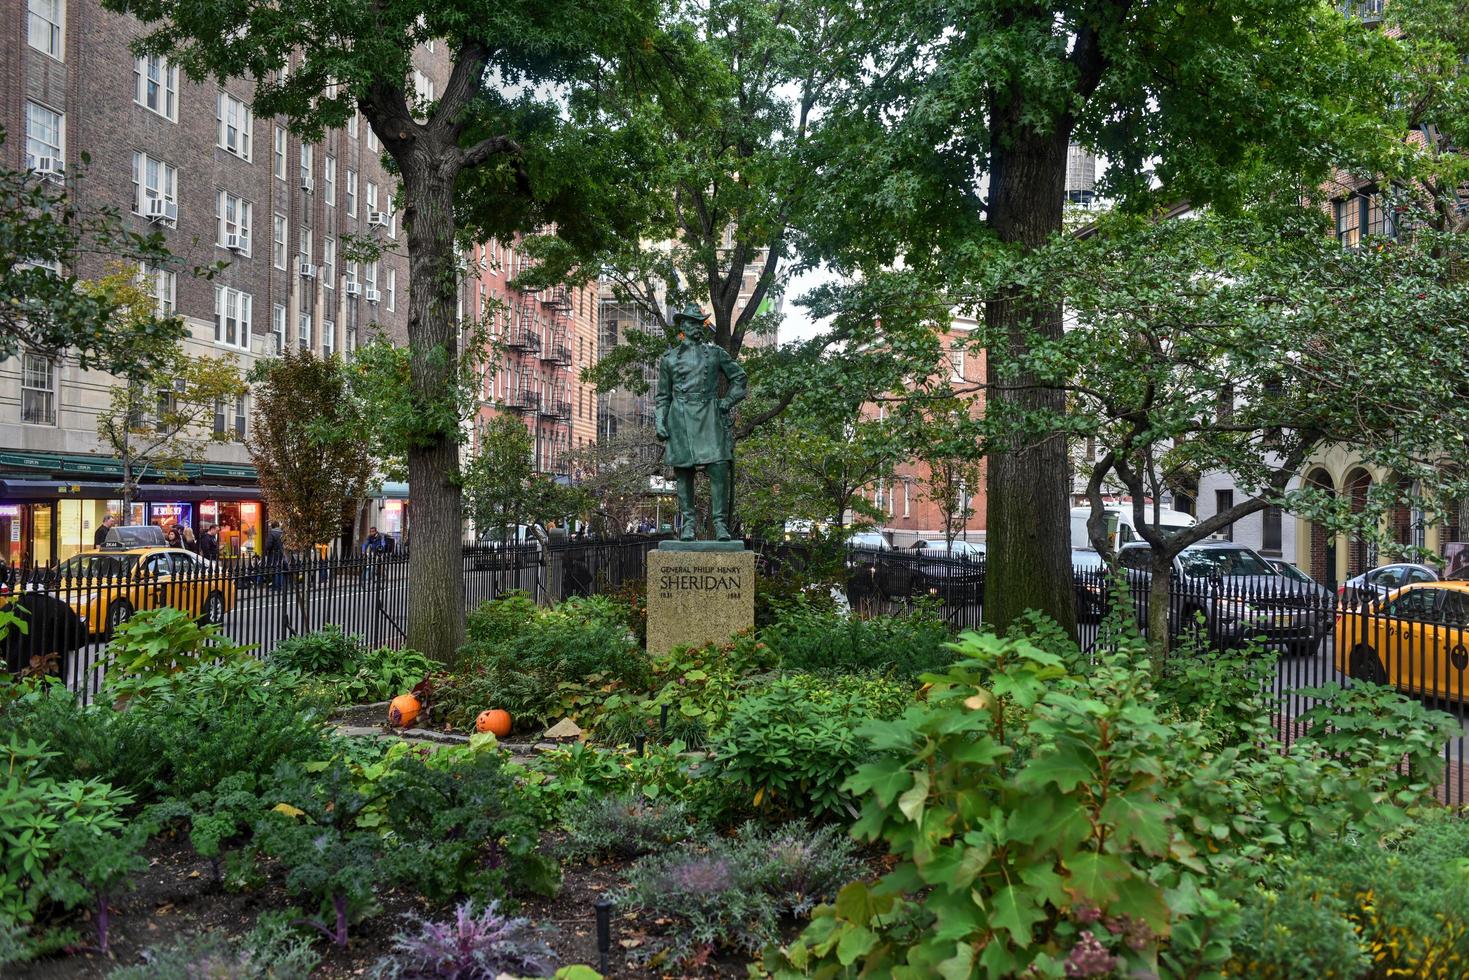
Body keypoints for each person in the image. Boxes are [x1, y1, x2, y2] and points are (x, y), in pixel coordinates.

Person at [654, 304, 747, 541]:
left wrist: (727, 402)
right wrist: (660, 422)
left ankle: (720, 523)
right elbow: (663, 396)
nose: (697, 327)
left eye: (699, 323)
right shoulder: (669, 359)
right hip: (680, 417)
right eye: (692, 323)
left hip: (710, 415)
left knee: (719, 468)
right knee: (684, 473)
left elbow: (740, 378)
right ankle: (688, 524)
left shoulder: (715, 354)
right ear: (683, 327)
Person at [265, 520, 286, 590]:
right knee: (280, 569)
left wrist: (266, 550)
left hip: (273, 554)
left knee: (274, 569)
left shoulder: (271, 533)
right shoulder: (282, 533)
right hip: (281, 553)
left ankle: (275, 586)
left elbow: (269, 545)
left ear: (272, 526)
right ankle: (280, 585)